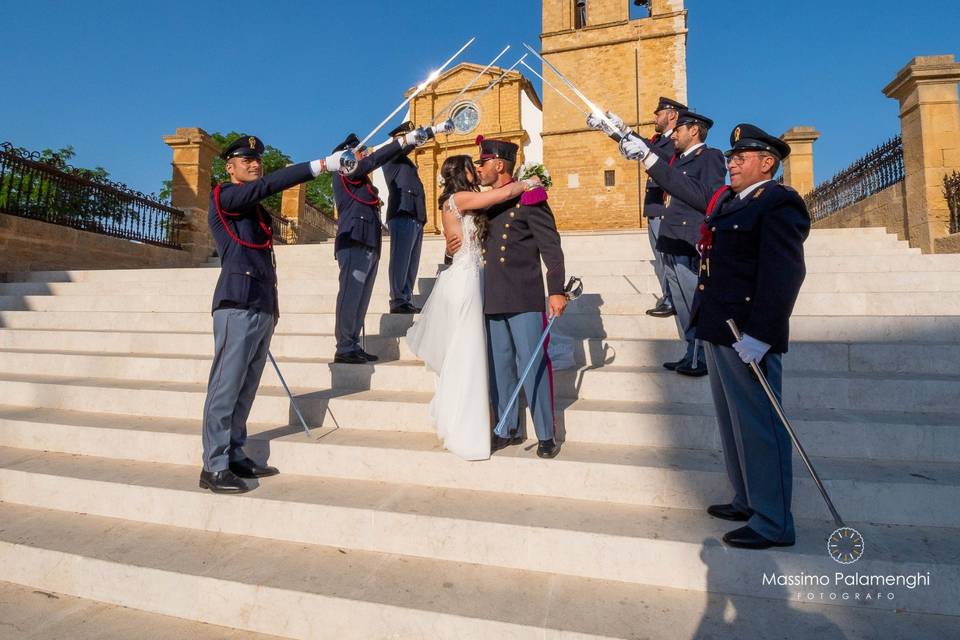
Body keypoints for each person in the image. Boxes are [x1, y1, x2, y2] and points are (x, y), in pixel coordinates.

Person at [619, 123, 810, 549]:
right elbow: (688, 192)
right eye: (732, 155)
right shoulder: (729, 201)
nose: (732, 162)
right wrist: (647, 158)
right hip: (720, 327)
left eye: (742, 157)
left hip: (748, 334)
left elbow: (785, 273)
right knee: (733, 423)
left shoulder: (778, 202)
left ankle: (774, 521)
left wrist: (762, 334)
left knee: (760, 426)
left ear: (768, 163)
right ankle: (747, 498)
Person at [201, 134, 345, 494]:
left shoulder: (255, 210)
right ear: (229, 166)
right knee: (225, 387)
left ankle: (234, 453)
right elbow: (267, 186)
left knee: (245, 389)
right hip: (237, 304)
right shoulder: (225, 197)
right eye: (245, 160)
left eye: (257, 160)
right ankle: (213, 466)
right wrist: (323, 165)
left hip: (262, 305)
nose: (254, 164)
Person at [406, 156, 541, 461]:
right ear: (462, 172)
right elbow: (503, 194)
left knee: (468, 351)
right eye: (472, 166)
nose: (477, 171)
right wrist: (530, 182)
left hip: (470, 275)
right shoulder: (459, 198)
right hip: (466, 281)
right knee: (469, 352)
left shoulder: (461, 202)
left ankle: (477, 421)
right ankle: (469, 429)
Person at [592, 109, 725, 377]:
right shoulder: (677, 158)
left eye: (679, 130)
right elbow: (650, 153)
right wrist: (617, 131)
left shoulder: (709, 157)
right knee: (682, 304)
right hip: (672, 240)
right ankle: (691, 351)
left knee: (694, 302)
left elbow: (708, 197)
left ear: (694, 130)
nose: (673, 134)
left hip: (689, 241)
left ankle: (701, 356)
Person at [472, 137, 567, 459]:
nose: (478, 169)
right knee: (500, 368)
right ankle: (507, 427)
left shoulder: (531, 198)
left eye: (482, 163)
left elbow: (551, 248)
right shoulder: (488, 202)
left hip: (524, 296)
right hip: (493, 298)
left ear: (499, 164)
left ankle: (545, 433)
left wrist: (556, 289)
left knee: (534, 363)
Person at [331, 121, 451, 364]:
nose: (364, 155)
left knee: (361, 299)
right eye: (359, 151)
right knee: (351, 297)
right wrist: (414, 137)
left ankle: (352, 344)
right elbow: (379, 157)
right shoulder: (346, 171)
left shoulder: (362, 180)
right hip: (354, 241)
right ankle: (345, 345)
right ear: (344, 156)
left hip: (368, 242)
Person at [644, 96, 686, 318]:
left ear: (671, 115)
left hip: (665, 205)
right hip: (654, 207)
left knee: (667, 258)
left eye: (658, 113)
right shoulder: (659, 140)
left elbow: (668, 160)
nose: (655, 117)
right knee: (661, 257)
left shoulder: (675, 141)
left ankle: (673, 298)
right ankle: (668, 295)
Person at [382, 121, 427, 314]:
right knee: (401, 259)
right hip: (402, 211)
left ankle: (405, 298)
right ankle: (398, 299)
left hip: (415, 213)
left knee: (411, 261)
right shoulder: (390, 156)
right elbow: (407, 145)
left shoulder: (406, 162)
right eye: (405, 136)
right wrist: (424, 134)